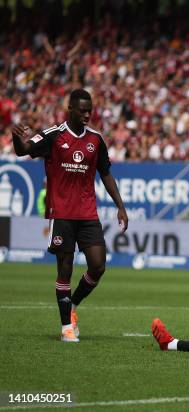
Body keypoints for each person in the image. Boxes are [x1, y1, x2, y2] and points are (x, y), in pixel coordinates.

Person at [12, 88, 128, 343]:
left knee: (98, 265)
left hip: (87, 212)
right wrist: (16, 138)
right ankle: (66, 326)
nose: (87, 114)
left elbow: (106, 173)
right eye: (83, 110)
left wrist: (120, 206)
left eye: (90, 110)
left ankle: (73, 304)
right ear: (71, 109)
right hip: (62, 212)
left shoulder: (96, 139)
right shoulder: (53, 135)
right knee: (64, 268)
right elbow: (23, 150)